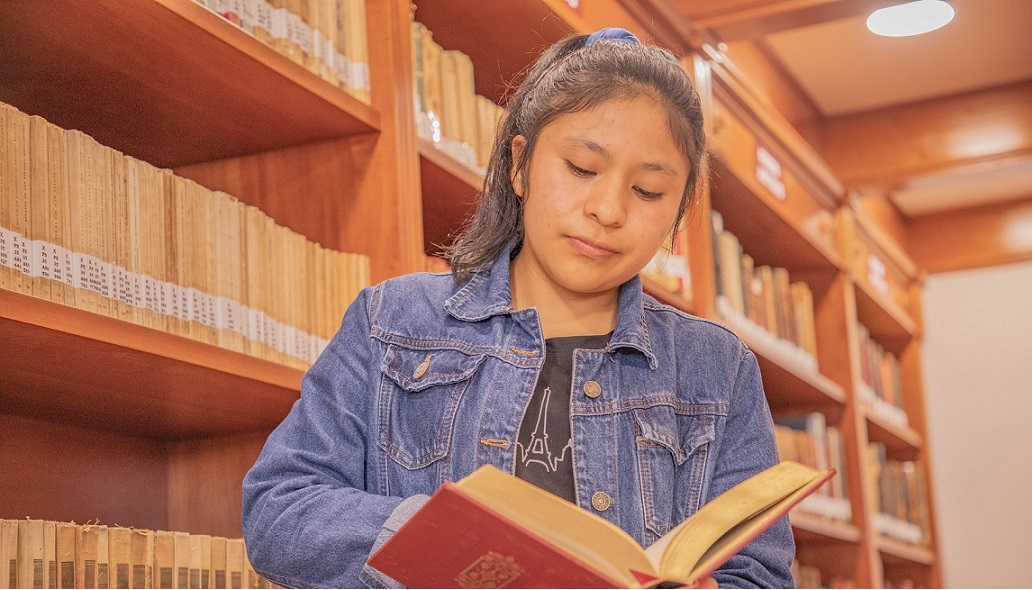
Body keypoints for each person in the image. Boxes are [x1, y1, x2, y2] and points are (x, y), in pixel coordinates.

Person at [241, 28, 795, 589]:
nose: (607, 209)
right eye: (581, 168)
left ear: (677, 210)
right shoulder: (392, 323)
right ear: (520, 164)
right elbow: (280, 509)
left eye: (648, 191)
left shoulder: (717, 369)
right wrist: (447, 539)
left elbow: (762, 574)